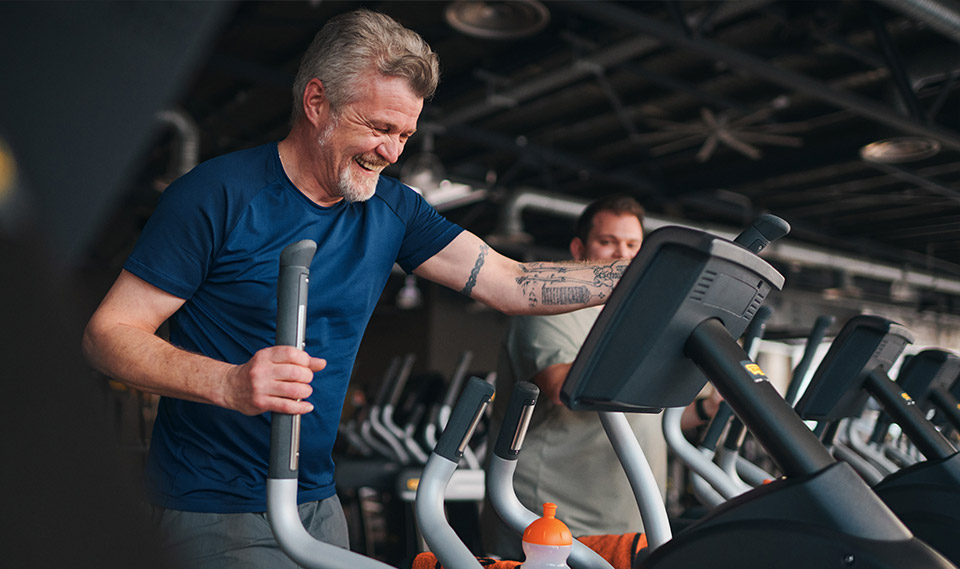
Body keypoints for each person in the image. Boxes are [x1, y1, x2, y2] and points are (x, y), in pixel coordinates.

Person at [81, 9, 632, 569]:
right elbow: (108, 334)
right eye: (379, 128)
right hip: (208, 506)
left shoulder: (393, 211)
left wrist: (642, 279)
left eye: (405, 135)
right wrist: (227, 383)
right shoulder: (217, 195)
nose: (393, 153)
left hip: (318, 501)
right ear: (316, 102)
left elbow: (511, 282)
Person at [479, 195, 722, 560]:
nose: (620, 255)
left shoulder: (643, 322)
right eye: (607, 242)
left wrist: (705, 410)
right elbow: (564, 389)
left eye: (632, 246)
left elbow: (648, 417)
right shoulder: (551, 306)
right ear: (580, 249)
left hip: (632, 514)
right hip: (554, 514)